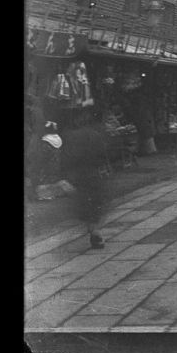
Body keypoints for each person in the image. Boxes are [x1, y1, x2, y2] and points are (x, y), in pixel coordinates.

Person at [58, 106, 111, 250]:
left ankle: (92, 229)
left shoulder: (67, 136)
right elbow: (103, 155)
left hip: (75, 175)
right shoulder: (95, 135)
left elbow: (65, 158)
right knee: (95, 202)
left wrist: (63, 175)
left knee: (83, 202)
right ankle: (95, 231)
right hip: (93, 173)